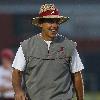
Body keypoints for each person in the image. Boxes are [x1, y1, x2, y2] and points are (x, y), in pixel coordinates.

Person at [12, 4, 84, 100]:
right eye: (50, 22)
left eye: (56, 22)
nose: (54, 25)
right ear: (41, 23)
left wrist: (81, 99)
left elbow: (77, 75)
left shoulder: (69, 46)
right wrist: (18, 91)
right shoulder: (26, 46)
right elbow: (17, 72)